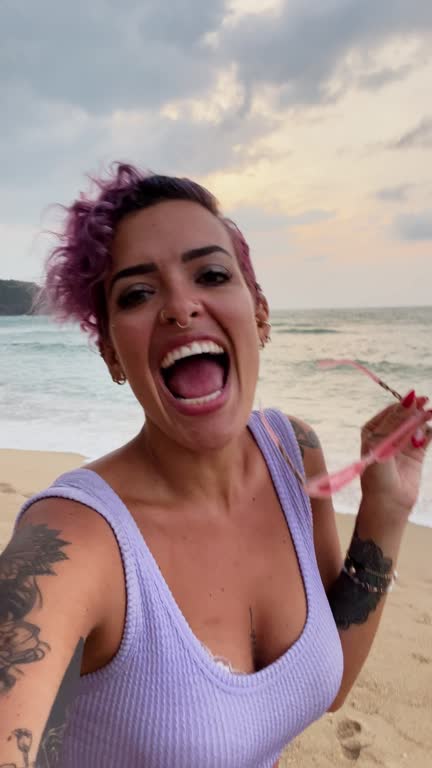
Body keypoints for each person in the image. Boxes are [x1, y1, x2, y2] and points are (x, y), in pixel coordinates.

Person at [0, 163, 430, 768]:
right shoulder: (74, 542)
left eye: (210, 273)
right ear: (111, 353)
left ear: (258, 313)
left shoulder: (292, 451)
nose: (180, 306)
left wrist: (386, 508)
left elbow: (329, 686)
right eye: (139, 293)